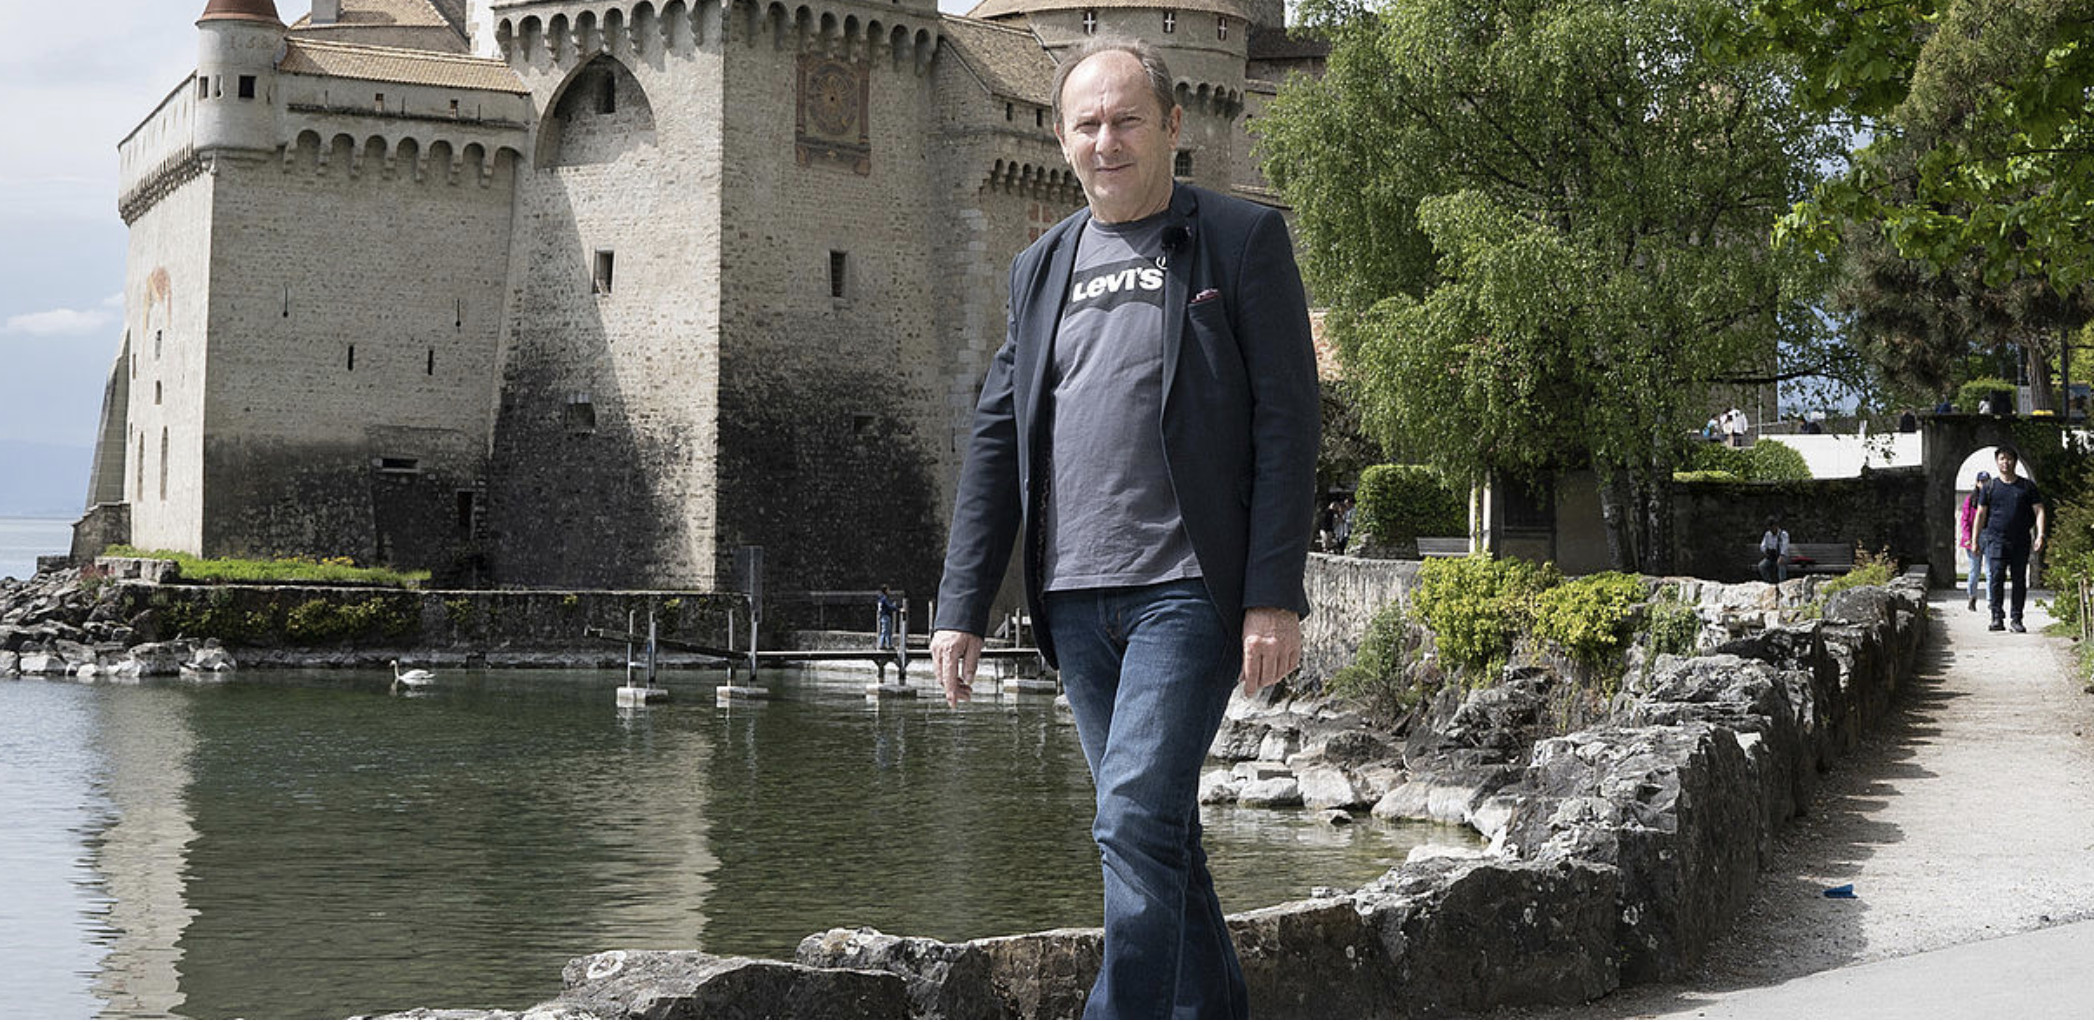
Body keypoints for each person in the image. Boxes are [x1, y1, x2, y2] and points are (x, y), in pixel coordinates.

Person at [929, 36, 1318, 1020]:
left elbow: (1287, 418)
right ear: (1061, 140)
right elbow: (994, 437)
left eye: (1127, 119)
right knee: (1159, 831)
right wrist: (961, 605)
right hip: (1073, 596)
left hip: (1188, 588)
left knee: (1133, 813)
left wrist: (1274, 590)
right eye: (1088, 124)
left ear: (1175, 127)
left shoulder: (1237, 240)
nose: (1108, 141)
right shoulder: (1039, 267)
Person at [1972, 444, 2047, 632]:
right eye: (2002, 458)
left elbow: (2039, 510)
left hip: (2020, 540)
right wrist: (1974, 540)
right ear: (1997, 462)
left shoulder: (2027, 487)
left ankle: (2016, 619)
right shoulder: (1989, 487)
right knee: (1996, 578)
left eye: (2009, 458)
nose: (2005, 462)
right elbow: (1980, 515)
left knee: (2019, 580)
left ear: (2015, 461)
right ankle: (1996, 616)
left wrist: (2040, 535)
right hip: (1995, 540)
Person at [1957, 471, 1992, 612]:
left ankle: (1991, 601)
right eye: (1981, 481)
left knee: (1991, 571)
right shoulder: (1970, 499)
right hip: (1974, 536)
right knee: (1974, 570)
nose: (1984, 484)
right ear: (1977, 483)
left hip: (1989, 535)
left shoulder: (1993, 498)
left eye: (1986, 481)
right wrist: (1968, 538)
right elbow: (1965, 520)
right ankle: (1972, 597)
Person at [1757, 516, 1790, 584]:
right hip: (1772, 557)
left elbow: (1785, 546)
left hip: (1782, 556)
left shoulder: (1784, 534)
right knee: (1761, 566)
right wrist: (1766, 551)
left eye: (1772, 527)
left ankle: (1782, 583)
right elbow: (1762, 546)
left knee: (1781, 563)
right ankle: (1769, 583)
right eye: (1769, 528)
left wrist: (1781, 555)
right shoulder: (1767, 534)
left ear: (1776, 526)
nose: (1771, 529)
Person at [875, 585, 899, 650]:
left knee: (887, 631)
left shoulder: (880, 598)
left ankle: (888, 644)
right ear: (885, 590)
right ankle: (882, 645)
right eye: (888, 590)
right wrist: (897, 609)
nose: (889, 591)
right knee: (885, 631)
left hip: (883, 616)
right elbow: (889, 607)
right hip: (885, 616)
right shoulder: (884, 598)